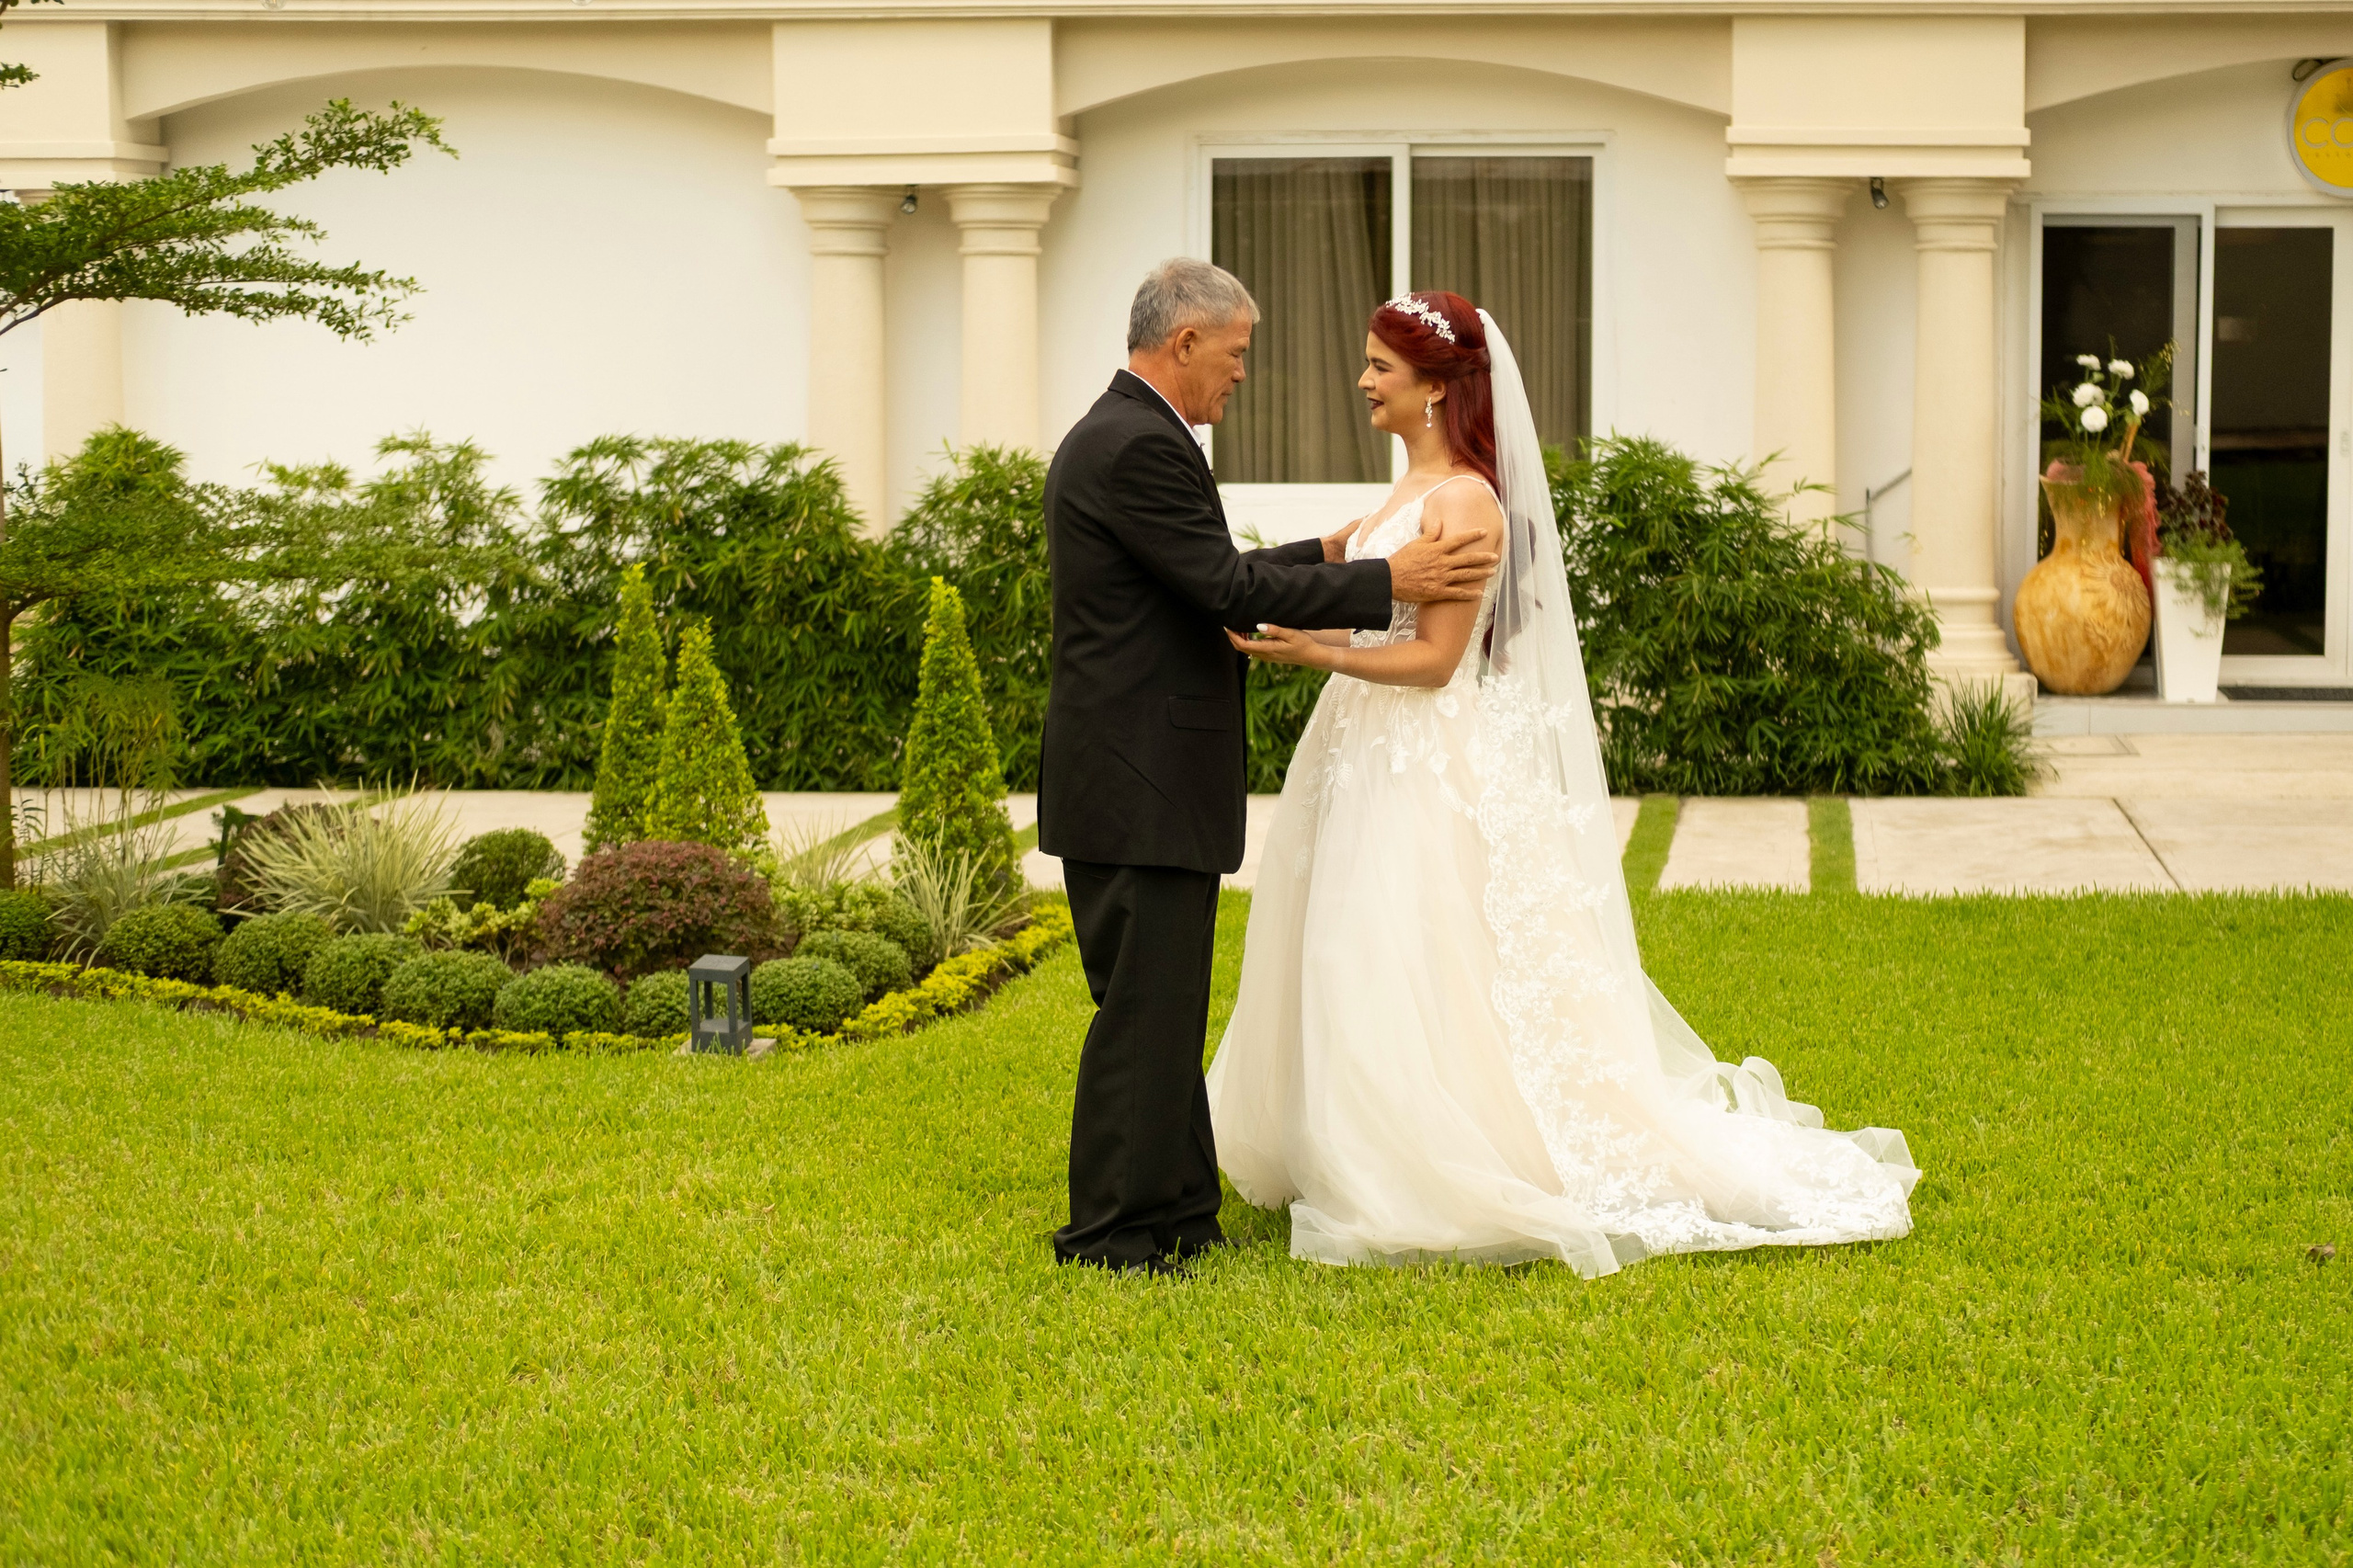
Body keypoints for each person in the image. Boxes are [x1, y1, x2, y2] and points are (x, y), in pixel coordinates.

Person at [1208, 290, 1920, 1273]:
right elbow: (1370, 614)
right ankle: (1342, 1142)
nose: (1363, 380)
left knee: (1405, 954)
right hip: (1361, 754)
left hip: (1424, 759)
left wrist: (1312, 656)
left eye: (1381, 366)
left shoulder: (1463, 500)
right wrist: (1302, 627)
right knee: (1342, 948)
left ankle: (1431, 1157)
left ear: (1436, 386)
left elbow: (1434, 662)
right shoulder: (1394, 498)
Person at [1039, 259, 1499, 1277]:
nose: (1244, 373)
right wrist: (1386, 575)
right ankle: (1112, 1234)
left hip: (1133, 773)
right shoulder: (1138, 444)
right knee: (1141, 1012)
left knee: (1159, 1005)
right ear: (1185, 342)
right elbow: (1218, 585)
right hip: (1139, 774)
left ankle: (1177, 1209)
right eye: (1237, 352)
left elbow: (1190, 570)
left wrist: (1321, 550)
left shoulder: (1131, 434)